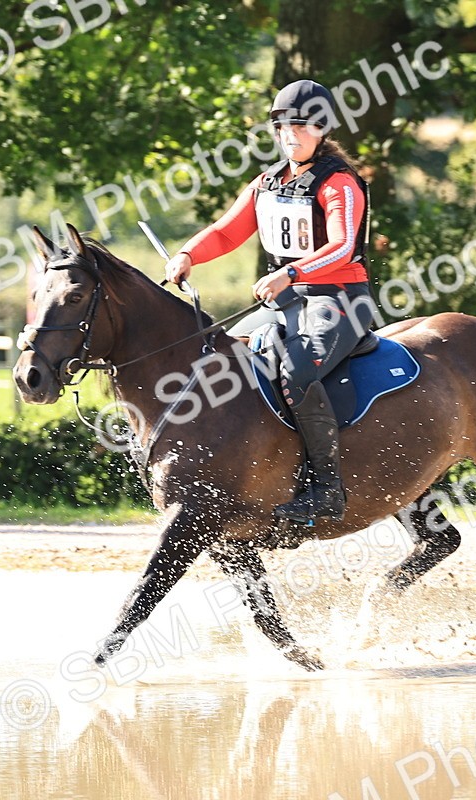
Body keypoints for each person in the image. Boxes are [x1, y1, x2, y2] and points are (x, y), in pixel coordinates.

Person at [165, 79, 375, 523]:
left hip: (338, 300)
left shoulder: (339, 184)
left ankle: (326, 490)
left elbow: (341, 246)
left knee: (297, 373)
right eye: (282, 126)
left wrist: (289, 273)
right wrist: (188, 253)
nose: (290, 135)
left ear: (322, 130)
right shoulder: (268, 183)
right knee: (221, 357)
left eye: (301, 126)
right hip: (287, 299)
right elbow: (225, 232)